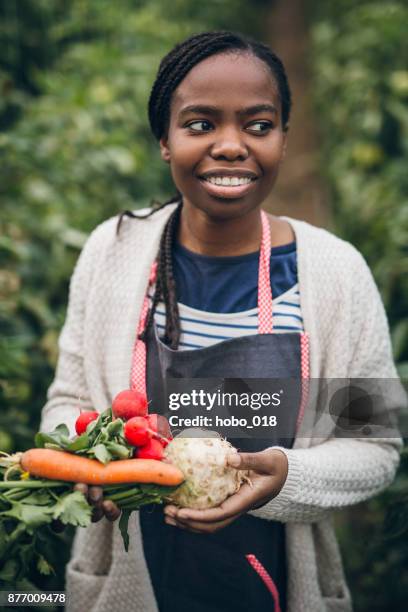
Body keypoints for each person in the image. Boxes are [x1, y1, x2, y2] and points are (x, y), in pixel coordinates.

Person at [40, 31, 402, 612]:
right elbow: (68, 401)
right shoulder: (112, 252)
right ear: (164, 139)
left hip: (275, 584)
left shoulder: (335, 273)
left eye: (258, 125)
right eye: (201, 124)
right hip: (131, 583)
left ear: (284, 138)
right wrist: (89, 461)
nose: (231, 146)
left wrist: (283, 477)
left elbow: (375, 448)